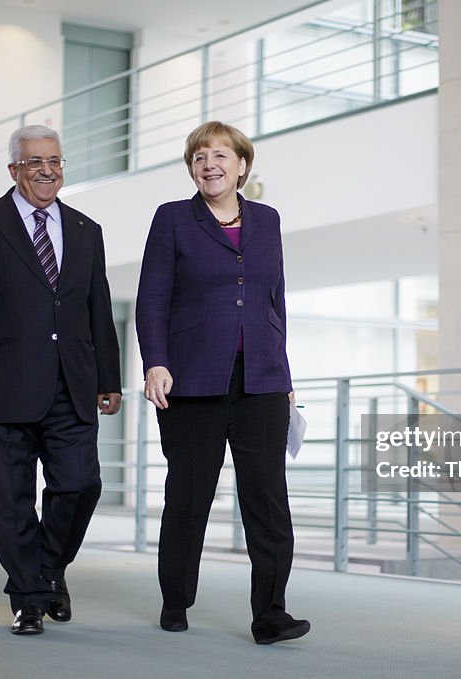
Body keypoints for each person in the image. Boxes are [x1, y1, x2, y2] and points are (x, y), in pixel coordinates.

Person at [0, 125, 122, 635]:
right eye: (35, 162)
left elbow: (97, 308)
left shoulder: (87, 229)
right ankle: (28, 598)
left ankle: (46, 570)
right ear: (14, 169)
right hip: (0, 384)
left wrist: (110, 375)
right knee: (12, 495)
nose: (47, 170)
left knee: (81, 484)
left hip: (73, 382)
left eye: (55, 161)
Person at [135, 121, 309, 644]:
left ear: (242, 166)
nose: (208, 164)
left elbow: (274, 299)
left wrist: (287, 377)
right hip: (192, 381)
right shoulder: (172, 219)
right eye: (198, 157)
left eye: (219, 155)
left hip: (262, 382)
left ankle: (271, 613)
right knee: (189, 497)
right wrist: (155, 362)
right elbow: (152, 299)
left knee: (268, 499)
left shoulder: (268, 220)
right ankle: (176, 600)